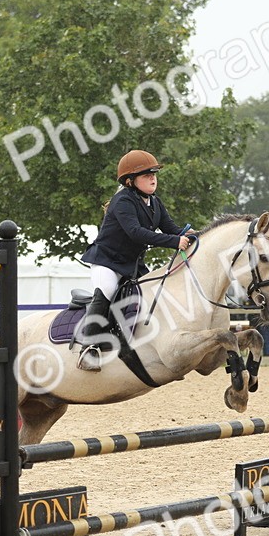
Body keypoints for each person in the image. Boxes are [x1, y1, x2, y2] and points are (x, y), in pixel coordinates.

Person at [76, 149, 194, 371]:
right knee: (108, 290)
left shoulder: (154, 203)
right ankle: (88, 348)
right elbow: (136, 233)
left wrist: (191, 236)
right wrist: (174, 242)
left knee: (153, 292)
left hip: (132, 265)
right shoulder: (122, 201)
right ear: (130, 181)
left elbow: (172, 229)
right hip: (107, 261)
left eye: (154, 174)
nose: (153, 178)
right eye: (146, 175)